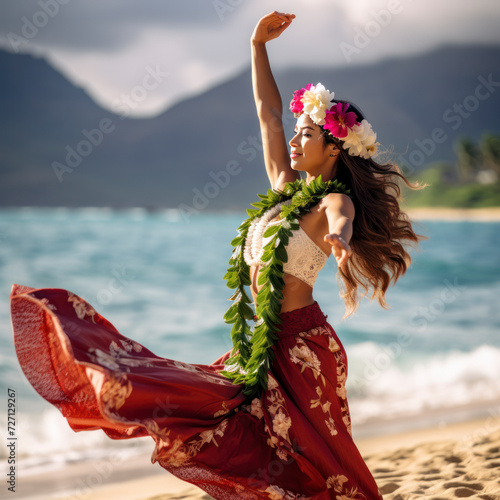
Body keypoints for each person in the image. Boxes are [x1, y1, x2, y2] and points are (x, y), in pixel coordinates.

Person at [10, 11, 426, 500]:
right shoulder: (283, 188)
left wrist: (340, 234)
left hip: (303, 350)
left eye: (307, 134)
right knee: (220, 420)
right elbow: (268, 115)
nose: (294, 140)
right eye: (296, 132)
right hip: (260, 345)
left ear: (334, 150)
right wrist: (257, 46)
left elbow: (342, 212)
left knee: (325, 462)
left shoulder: (329, 203)